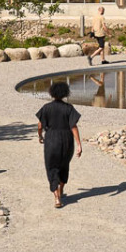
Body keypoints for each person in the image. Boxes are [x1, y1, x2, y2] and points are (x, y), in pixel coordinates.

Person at [35, 79, 82, 208]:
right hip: (67, 139)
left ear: (52, 93)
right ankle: (60, 190)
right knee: (64, 165)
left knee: (52, 167)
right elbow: (73, 126)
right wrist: (79, 144)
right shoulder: (69, 108)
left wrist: (40, 135)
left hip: (51, 139)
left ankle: (57, 197)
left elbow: (40, 125)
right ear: (65, 93)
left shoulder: (46, 108)